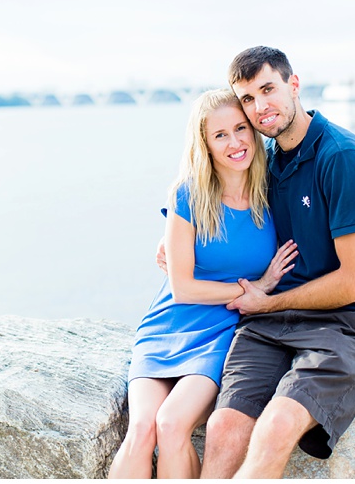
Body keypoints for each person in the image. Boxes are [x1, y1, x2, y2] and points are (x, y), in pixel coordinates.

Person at [156, 46, 355, 478]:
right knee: (225, 426)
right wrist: (170, 237)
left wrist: (265, 302)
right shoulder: (266, 161)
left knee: (275, 426)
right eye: (247, 98)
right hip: (274, 324)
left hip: (347, 324)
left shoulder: (339, 156)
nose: (259, 107)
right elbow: (212, 196)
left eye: (268, 89)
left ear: (294, 85)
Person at [108, 89, 298, 479]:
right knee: (142, 428)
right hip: (167, 326)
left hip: (222, 331)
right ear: (205, 144)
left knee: (173, 425)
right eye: (221, 135)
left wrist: (264, 293)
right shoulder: (188, 194)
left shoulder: (273, 192)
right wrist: (255, 288)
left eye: (241, 129)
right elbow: (183, 288)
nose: (235, 142)